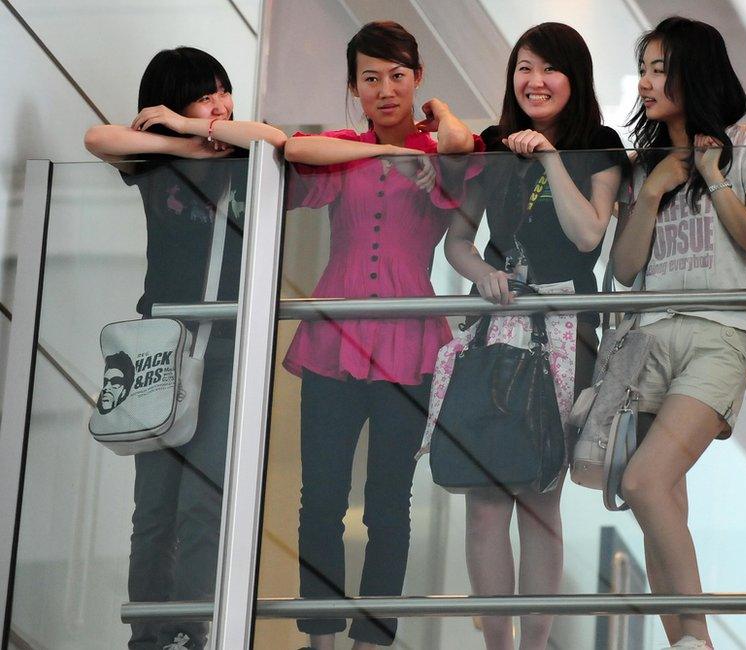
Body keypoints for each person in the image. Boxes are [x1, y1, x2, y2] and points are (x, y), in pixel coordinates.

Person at [279, 21, 481, 650]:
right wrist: (381, 151)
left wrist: (434, 122)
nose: (385, 88)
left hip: (408, 343)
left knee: (390, 500)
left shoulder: (443, 153)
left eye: (398, 74)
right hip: (332, 340)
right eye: (371, 78)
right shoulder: (343, 148)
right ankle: (318, 637)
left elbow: (463, 143)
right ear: (354, 88)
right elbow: (292, 152)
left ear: (417, 78)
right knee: (322, 497)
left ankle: (373, 641)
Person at [84, 46, 286, 650]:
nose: (221, 104)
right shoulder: (156, 163)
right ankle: (147, 635)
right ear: (171, 103)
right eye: (204, 94)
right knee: (154, 510)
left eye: (223, 91)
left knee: (205, 499)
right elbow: (99, 138)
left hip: (229, 346)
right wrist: (182, 143)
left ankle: (190, 633)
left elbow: (275, 138)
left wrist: (203, 129)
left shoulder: (251, 161)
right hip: (159, 352)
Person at [443, 22, 625, 650]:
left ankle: (535, 643)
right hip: (494, 326)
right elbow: (458, 242)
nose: (535, 81)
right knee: (484, 500)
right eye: (524, 67)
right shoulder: (491, 145)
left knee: (540, 496)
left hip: (566, 325)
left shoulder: (598, 144)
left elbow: (586, 236)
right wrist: (485, 274)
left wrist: (549, 157)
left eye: (549, 69)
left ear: (575, 78)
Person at [611, 17, 746, 650]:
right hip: (650, 335)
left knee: (642, 483)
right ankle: (680, 641)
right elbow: (625, 268)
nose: (648, 82)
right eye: (645, 68)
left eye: (661, 68)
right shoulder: (645, 163)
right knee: (664, 503)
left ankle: (698, 639)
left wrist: (712, 175)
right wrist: (653, 192)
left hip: (720, 333)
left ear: (694, 72)